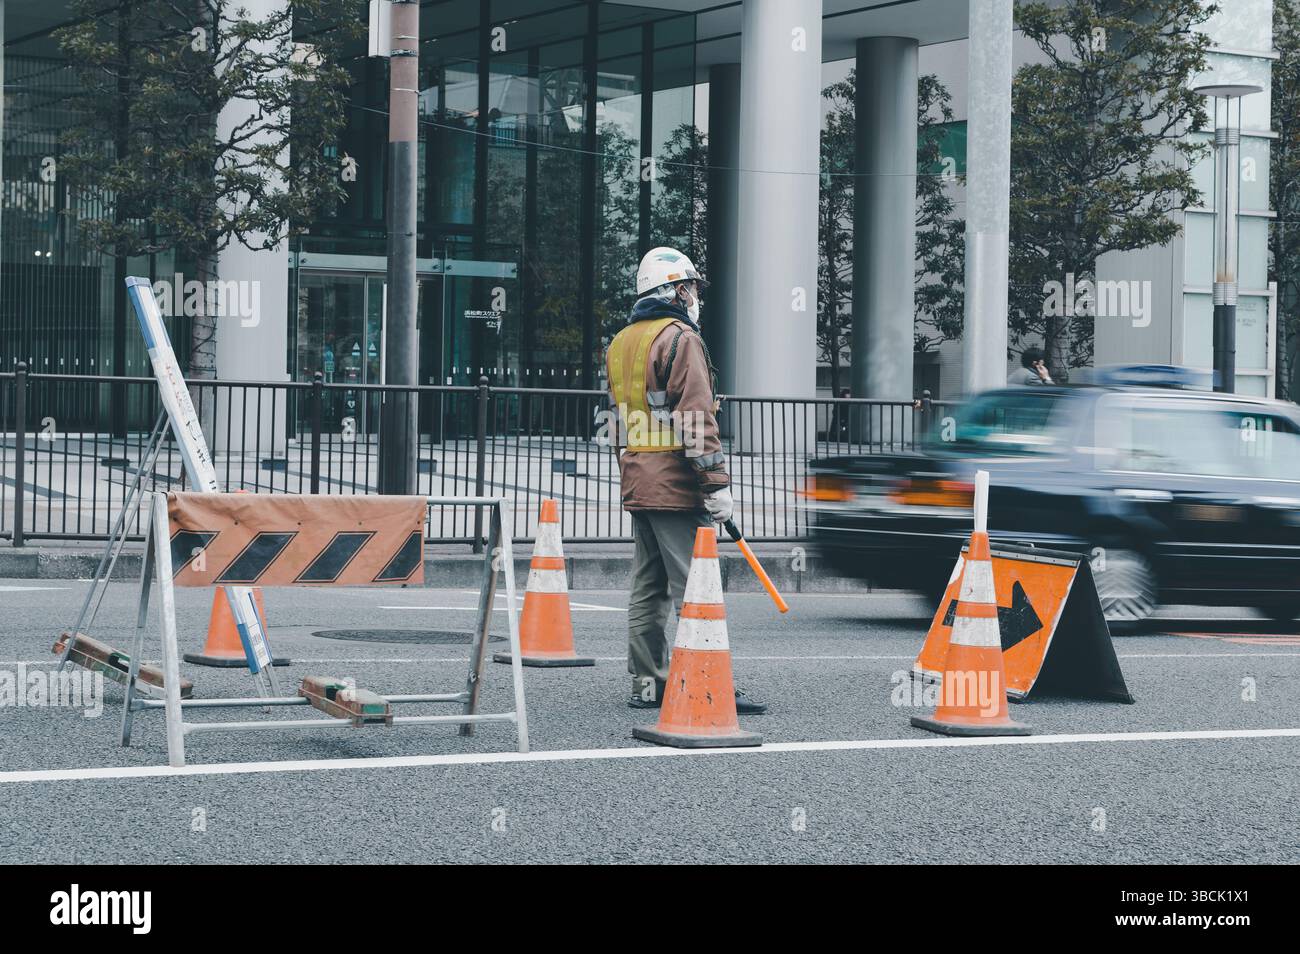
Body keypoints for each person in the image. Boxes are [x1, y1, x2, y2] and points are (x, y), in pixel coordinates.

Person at [605, 246, 767, 714]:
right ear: (675, 290)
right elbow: (694, 416)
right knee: (696, 586)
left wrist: (633, 467)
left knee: (647, 584)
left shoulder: (621, 342)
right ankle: (706, 680)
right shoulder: (680, 338)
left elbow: (620, 419)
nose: (696, 295)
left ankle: (647, 682)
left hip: (639, 478)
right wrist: (716, 484)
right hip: (676, 483)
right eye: (691, 286)